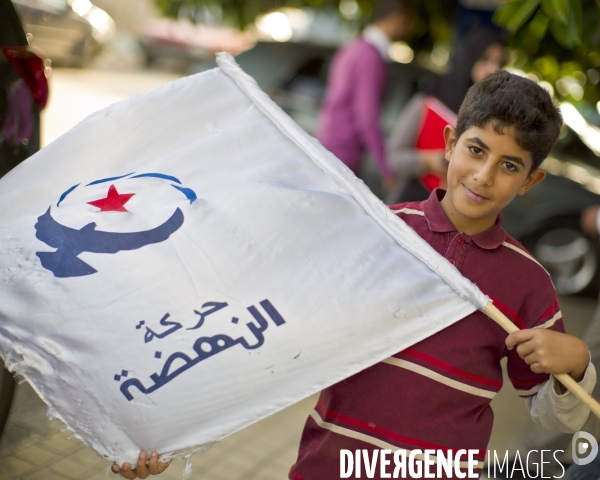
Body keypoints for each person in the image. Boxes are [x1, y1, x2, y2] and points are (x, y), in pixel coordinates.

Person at [113, 72, 597, 479]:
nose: (485, 175)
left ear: (531, 180)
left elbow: (554, 412)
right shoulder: (375, 230)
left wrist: (574, 365)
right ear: (450, 143)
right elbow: (264, 341)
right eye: (476, 149)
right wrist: (167, 433)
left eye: (509, 165)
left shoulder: (528, 282)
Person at [386, 27, 505, 204]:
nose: (492, 69)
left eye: (499, 63)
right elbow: (393, 157)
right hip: (409, 202)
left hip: (453, 213)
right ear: (469, 57)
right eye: (485, 59)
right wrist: (428, 162)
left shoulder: (491, 118)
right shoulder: (430, 100)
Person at [317, 0, 414, 192]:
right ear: (398, 19)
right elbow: (367, 118)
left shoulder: (353, 47)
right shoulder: (371, 58)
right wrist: (386, 169)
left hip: (329, 144)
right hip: (344, 153)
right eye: (408, 23)